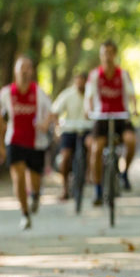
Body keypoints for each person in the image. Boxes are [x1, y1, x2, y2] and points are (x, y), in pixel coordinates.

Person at [0, 56, 55, 229]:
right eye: (21, 68)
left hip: (36, 142)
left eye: (28, 68)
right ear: (16, 71)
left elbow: (52, 112)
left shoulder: (38, 92)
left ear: (32, 71)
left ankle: (36, 195)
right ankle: (24, 214)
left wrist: (46, 124)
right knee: (19, 178)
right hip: (14, 141)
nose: (24, 71)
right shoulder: (7, 93)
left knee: (35, 180)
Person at [85, 40, 139, 204]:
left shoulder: (122, 74)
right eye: (104, 53)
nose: (107, 56)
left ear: (114, 54)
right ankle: (98, 188)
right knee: (96, 151)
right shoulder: (95, 75)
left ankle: (124, 173)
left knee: (130, 142)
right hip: (102, 117)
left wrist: (135, 109)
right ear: (100, 55)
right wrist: (88, 110)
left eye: (110, 52)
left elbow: (131, 94)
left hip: (121, 116)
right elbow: (89, 97)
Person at [52, 73, 91, 201]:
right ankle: (65, 188)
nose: (80, 84)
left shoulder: (92, 94)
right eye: (78, 81)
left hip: (87, 130)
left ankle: (88, 175)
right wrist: (57, 128)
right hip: (69, 130)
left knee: (92, 147)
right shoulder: (67, 94)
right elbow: (55, 111)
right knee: (65, 157)